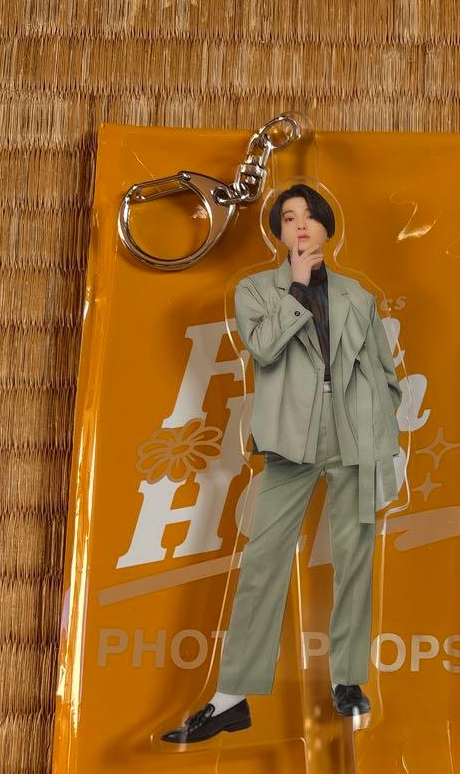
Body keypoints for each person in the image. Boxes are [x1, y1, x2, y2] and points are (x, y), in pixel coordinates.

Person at [163, 184, 402, 744]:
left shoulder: (357, 295)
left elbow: (384, 372)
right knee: (263, 560)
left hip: (356, 436)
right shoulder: (256, 290)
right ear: (277, 232)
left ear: (326, 228)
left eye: (311, 216)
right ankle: (232, 696)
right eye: (289, 217)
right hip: (291, 438)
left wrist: (377, 414)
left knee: (355, 560)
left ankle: (347, 679)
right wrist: (295, 286)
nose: (300, 225)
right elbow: (265, 348)